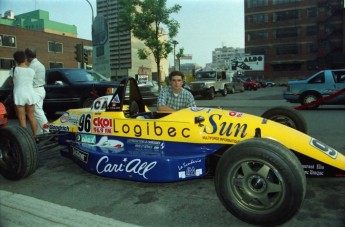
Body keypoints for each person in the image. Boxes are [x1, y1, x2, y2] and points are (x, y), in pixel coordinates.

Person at [8, 51, 38, 137]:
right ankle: (36, 137)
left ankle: (26, 139)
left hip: (19, 94)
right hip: (30, 94)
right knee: (32, 117)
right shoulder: (31, 70)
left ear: (15, 60)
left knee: (22, 118)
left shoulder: (14, 69)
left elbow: (10, 83)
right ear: (25, 59)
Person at [25, 48, 49, 134]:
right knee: (38, 112)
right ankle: (40, 132)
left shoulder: (32, 66)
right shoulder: (41, 64)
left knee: (37, 112)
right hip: (41, 89)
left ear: (28, 56)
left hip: (36, 90)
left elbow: (27, 79)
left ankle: (47, 130)